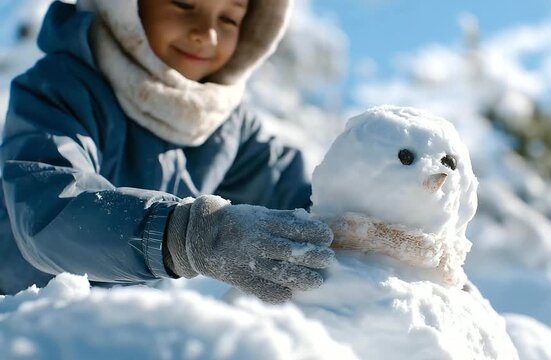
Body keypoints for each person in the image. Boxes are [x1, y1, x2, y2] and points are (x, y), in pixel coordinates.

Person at [0, 0, 336, 303]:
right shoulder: (60, 88)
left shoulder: (226, 126)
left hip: (126, 328)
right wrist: (186, 235)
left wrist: (364, 214)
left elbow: (301, 199)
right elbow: (50, 209)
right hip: (23, 319)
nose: (207, 34)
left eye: (229, 19)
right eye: (184, 4)